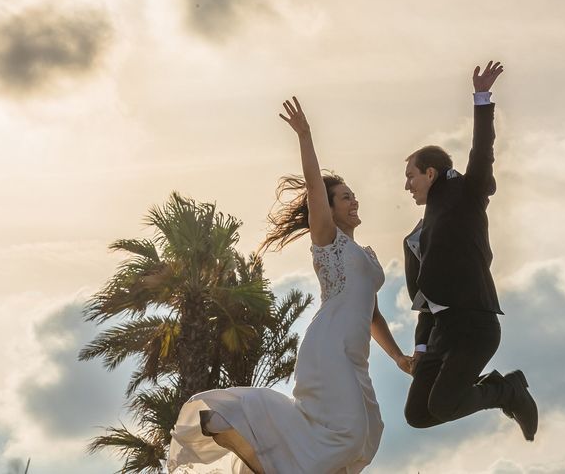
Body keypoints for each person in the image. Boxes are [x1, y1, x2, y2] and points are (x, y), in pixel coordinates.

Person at [167, 96, 412, 474]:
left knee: (368, 435)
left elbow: (373, 312)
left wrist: (397, 357)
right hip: (328, 349)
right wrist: (305, 136)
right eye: (345, 197)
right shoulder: (329, 242)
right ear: (327, 210)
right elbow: (315, 187)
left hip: (355, 355)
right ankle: (235, 418)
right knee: (348, 435)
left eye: (353, 196)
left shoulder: (366, 255)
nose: (354, 201)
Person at [401, 61, 538, 441]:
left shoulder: (465, 195)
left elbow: (482, 154)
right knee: (418, 414)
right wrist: (420, 348)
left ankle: (507, 390)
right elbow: (424, 301)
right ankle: (495, 388)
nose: (407, 186)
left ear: (431, 173)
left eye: (411, 176)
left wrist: (481, 99)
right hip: (441, 333)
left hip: (475, 325)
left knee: (443, 405)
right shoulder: (416, 237)